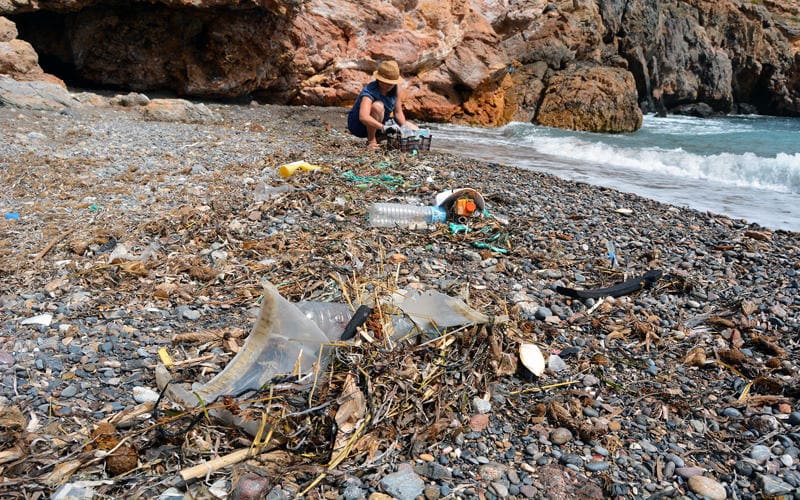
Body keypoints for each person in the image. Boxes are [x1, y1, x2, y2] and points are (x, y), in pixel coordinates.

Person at [347, 60, 419, 149]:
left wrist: (404, 128)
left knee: (415, 129)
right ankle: (371, 141)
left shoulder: (395, 89)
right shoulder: (370, 91)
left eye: (391, 83)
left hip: (380, 123)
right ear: (379, 79)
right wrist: (385, 128)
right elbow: (363, 117)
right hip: (359, 126)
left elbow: (398, 113)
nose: (388, 85)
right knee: (378, 106)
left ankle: (379, 138)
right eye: (385, 82)